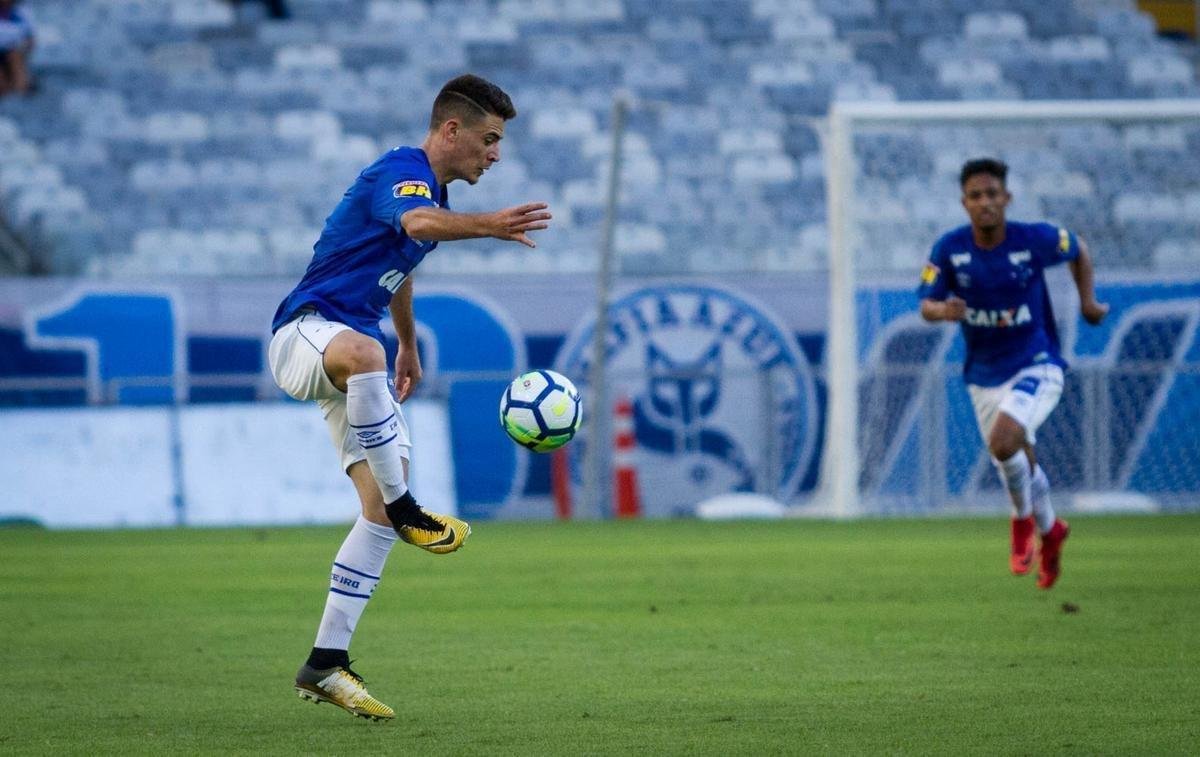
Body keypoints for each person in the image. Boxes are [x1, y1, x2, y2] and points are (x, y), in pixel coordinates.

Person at [268, 74, 551, 720]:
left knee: (370, 514)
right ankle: (408, 509)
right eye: (490, 138)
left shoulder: (432, 193)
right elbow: (420, 221)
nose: (496, 154)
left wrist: (407, 344)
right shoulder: (403, 171)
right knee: (387, 464)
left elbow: (401, 260)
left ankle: (326, 662)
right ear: (451, 130)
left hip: (357, 350)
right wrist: (490, 226)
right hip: (304, 333)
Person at [917, 158, 1108, 590]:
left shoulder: (1033, 239)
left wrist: (1088, 302)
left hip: (1037, 362)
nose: (985, 203)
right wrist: (942, 310)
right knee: (1015, 458)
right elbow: (926, 302)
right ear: (964, 203)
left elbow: (1077, 249)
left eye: (992, 194)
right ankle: (1051, 531)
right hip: (983, 374)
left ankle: (1022, 521)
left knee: (1004, 443)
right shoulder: (949, 249)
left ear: (1007, 198)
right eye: (975, 196)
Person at [0, 0, 34, 97]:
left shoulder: (20, 13)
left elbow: (30, 40)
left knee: (14, 57)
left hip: (14, 53)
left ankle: (20, 93)